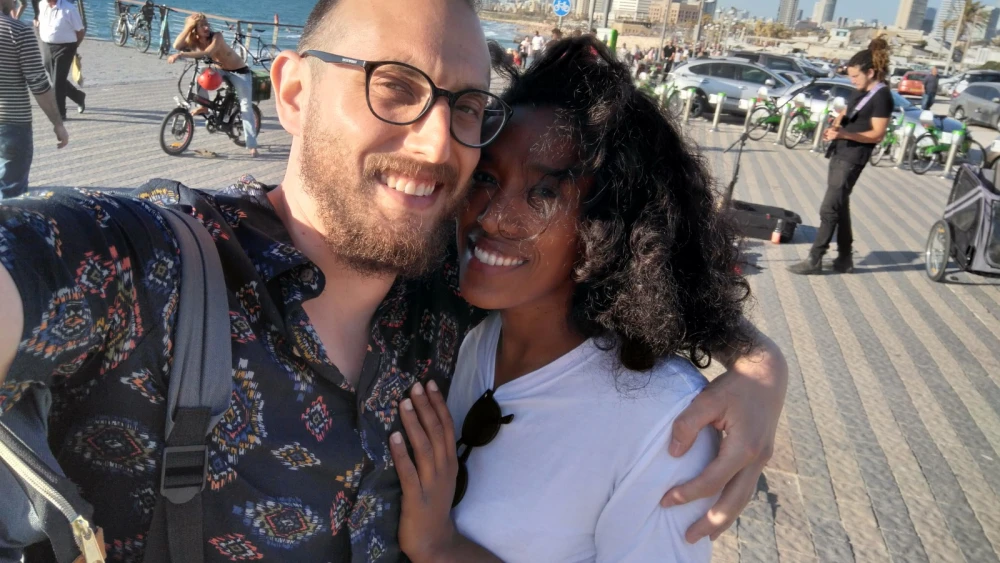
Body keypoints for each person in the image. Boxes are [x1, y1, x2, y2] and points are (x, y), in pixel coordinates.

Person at [0, 0, 787, 560]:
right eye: (395, 86)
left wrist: (754, 358)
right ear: (295, 91)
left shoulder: (442, 301)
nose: (439, 144)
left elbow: (625, 271)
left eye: (467, 105)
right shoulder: (141, 269)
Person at [389, 37, 755, 563]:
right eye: (487, 177)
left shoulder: (665, 423)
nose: (490, 215)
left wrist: (440, 546)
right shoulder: (471, 334)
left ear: (613, 227)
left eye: (543, 194)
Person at [789, 38, 892, 275]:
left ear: (871, 72)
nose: (852, 80)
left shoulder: (882, 96)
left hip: (853, 157)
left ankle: (815, 258)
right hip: (840, 152)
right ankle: (845, 257)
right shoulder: (860, 91)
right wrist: (835, 126)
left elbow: (877, 134)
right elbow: (847, 112)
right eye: (850, 76)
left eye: (855, 76)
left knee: (829, 209)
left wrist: (845, 133)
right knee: (840, 205)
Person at [0, 0, 67, 198]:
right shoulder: (18, 31)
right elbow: (38, 84)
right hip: (11, 121)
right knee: (10, 198)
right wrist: (58, 123)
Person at [169, 13, 259, 157]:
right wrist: (187, 28)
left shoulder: (217, 36)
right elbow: (176, 45)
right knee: (202, 74)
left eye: (206, 24)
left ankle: (252, 144)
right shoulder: (195, 39)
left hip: (239, 72)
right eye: (201, 25)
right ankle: (204, 107)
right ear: (194, 29)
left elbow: (207, 52)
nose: (206, 27)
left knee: (245, 106)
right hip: (221, 69)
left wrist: (181, 55)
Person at [36, 0, 85, 120]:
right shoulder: (42, 4)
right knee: (55, 77)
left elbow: (80, 31)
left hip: (65, 47)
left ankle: (60, 113)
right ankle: (78, 96)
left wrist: (74, 47)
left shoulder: (69, 9)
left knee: (57, 81)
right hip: (47, 45)